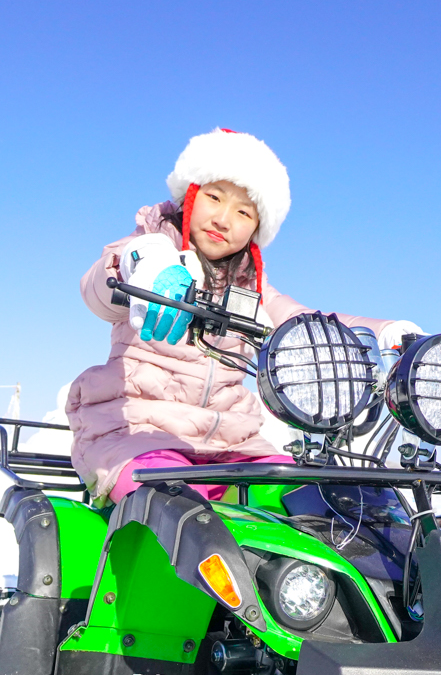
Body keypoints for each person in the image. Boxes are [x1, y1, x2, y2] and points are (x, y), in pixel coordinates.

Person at [68, 128, 419, 505]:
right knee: (176, 508)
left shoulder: (252, 287)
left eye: (243, 212)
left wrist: (383, 334)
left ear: (256, 228)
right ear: (189, 195)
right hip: (138, 433)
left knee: (318, 500)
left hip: (235, 445)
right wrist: (146, 264)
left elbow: (300, 322)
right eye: (214, 197)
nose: (223, 219)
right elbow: (99, 285)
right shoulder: (152, 247)